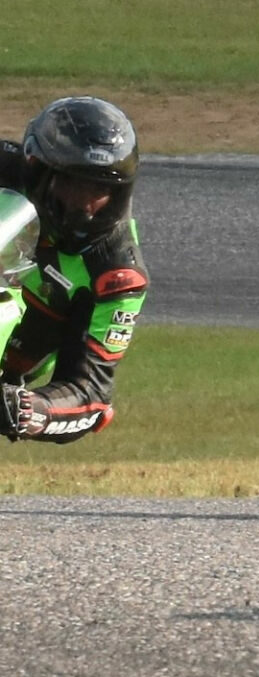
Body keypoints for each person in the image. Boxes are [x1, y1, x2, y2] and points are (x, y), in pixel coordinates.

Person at [0, 96, 149, 443]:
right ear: (39, 170)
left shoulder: (118, 274)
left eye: (101, 189)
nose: (86, 204)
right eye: (74, 183)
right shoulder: (8, 168)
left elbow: (91, 396)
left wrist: (29, 409)